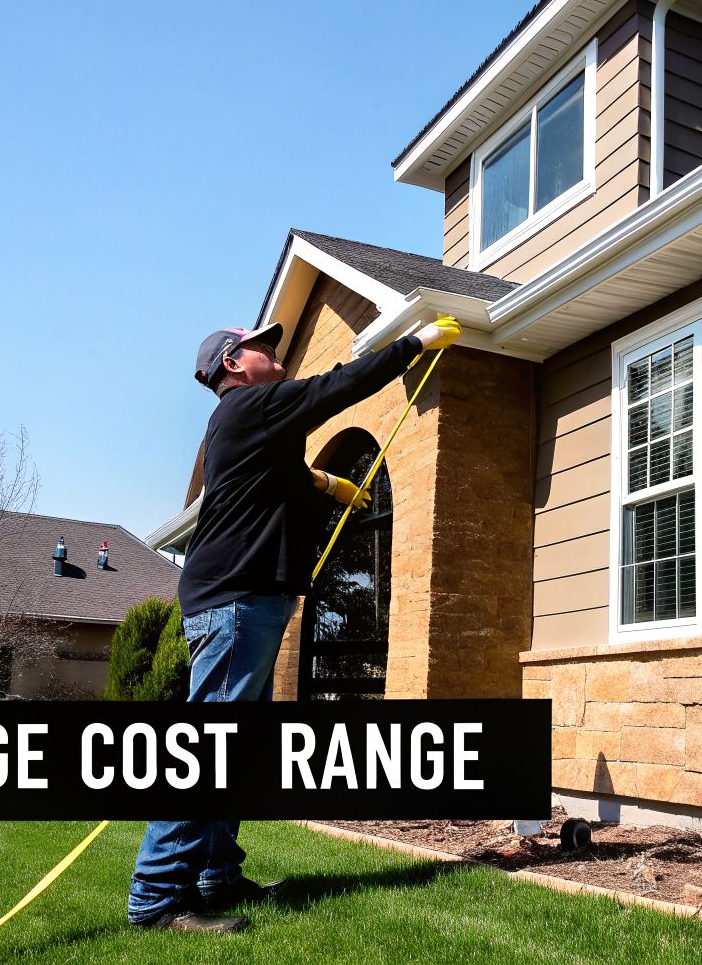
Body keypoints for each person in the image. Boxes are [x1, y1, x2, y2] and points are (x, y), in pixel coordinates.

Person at [128, 313, 460, 933]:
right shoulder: (249, 406)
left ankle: (215, 876)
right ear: (233, 363)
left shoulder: (247, 424)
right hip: (235, 601)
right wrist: (414, 344)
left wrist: (329, 484)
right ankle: (156, 899)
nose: (276, 353)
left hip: (242, 601)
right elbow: (336, 387)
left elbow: (281, 475)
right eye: (261, 346)